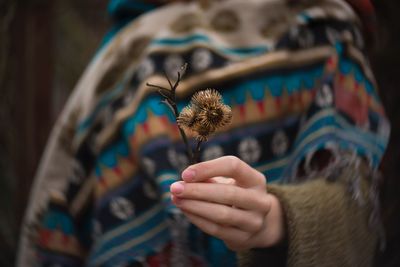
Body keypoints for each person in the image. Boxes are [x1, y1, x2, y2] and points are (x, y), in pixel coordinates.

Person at [17, 0, 390, 266]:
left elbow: (358, 203)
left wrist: (279, 220)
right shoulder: (128, 50)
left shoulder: (324, 27)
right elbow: (69, 197)